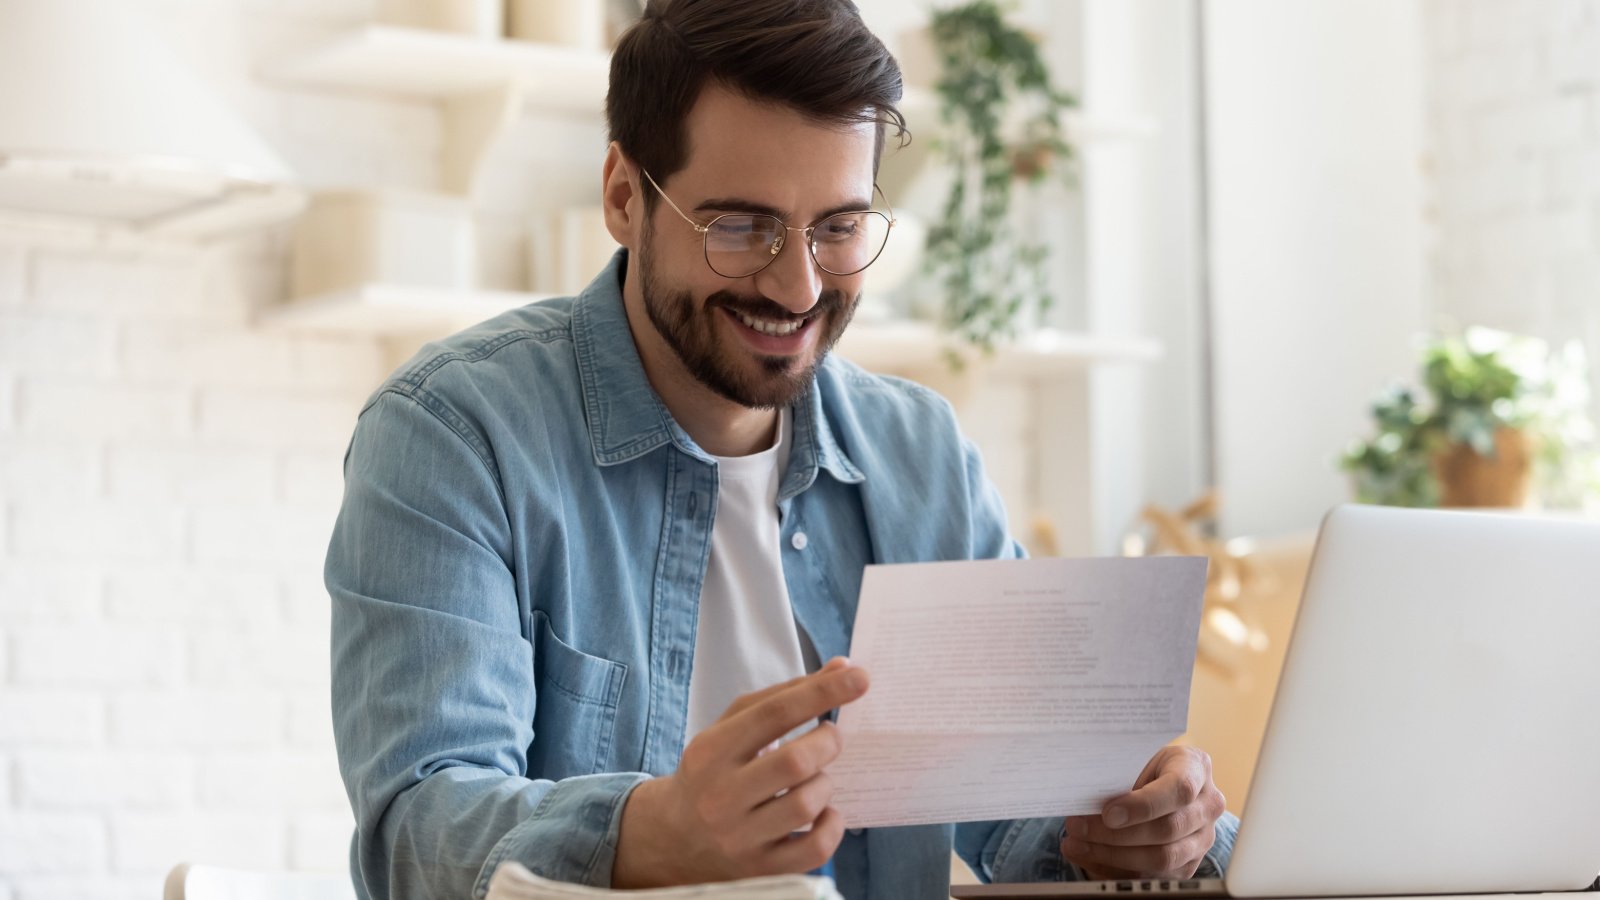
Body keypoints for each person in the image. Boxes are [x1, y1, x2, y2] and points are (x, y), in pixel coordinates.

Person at [326, 1, 1238, 897]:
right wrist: (652, 834)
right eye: (739, 226)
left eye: (838, 228)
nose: (798, 285)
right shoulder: (453, 433)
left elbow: (1020, 806)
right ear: (621, 196)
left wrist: (1147, 825)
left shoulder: (919, 453)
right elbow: (416, 833)